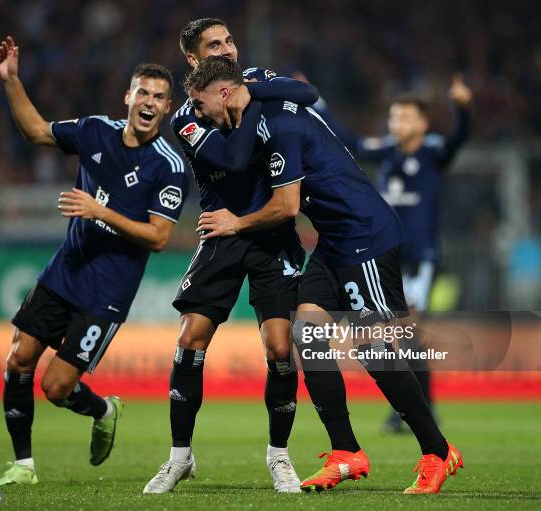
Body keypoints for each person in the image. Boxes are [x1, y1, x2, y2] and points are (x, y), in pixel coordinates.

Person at [193, 56, 464, 495]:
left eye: (201, 105)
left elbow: (286, 207)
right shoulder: (255, 113)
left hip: (365, 237)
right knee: (308, 335)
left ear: (224, 93)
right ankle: (346, 451)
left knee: (374, 350)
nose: (200, 114)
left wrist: (235, 223)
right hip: (333, 242)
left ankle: (436, 451)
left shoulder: (276, 126)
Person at [0, 36, 188, 486]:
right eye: (143, 92)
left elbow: (158, 237)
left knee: (55, 387)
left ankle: (103, 408)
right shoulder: (96, 129)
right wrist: (13, 81)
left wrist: (102, 212)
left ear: (167, 107)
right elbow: (36, 131)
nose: (149, 102)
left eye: (159, 97)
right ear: (128, 96)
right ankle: (23, 467)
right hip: (66, 269)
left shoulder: (169, 165)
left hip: (107, 292)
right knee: (18, 359)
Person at [143, 18, 319, 494]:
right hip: (222, 232)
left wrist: (250, 88)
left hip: (272, 231)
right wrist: (252, 94)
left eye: (229, 40)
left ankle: (279, 456)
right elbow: (235, 159)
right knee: (190, 337)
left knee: (281, 349)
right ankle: (180, 455)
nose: (228, 48)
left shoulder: (250, 81)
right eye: (214, 45)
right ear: (195, 60)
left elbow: (308, 94)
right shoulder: (186, 117)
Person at [299, 73, 472, 432]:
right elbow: (350, 142)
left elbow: (458, 139)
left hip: (418, 257)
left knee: (405, 332)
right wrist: (319, 105)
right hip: (382, 254)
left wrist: (463, 109)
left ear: (423, 123)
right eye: (394, 117)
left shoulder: (432, 153)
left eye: (406, 117)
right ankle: (411, 409)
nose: (397, 123)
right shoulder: (387, 151)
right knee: (394, 335)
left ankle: (418, 410)